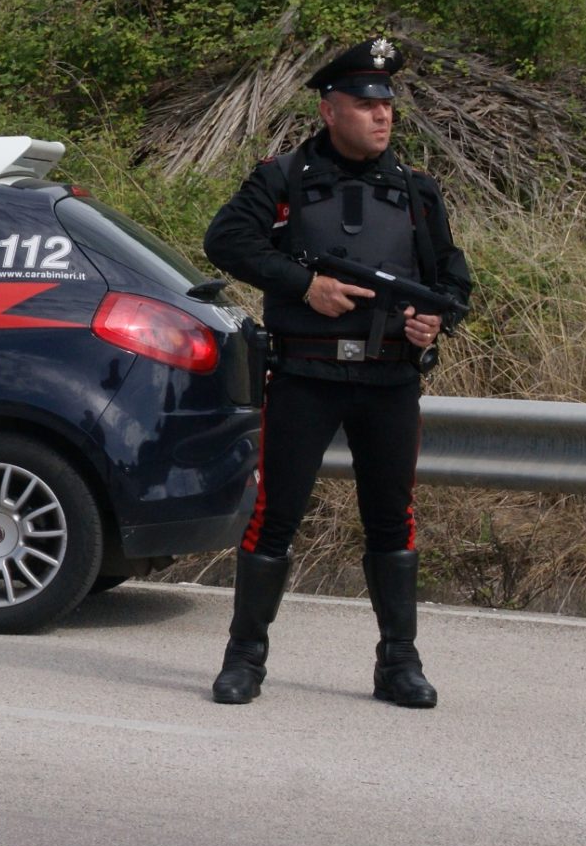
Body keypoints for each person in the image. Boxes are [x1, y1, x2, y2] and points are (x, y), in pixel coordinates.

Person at [200, 36, 472, 708]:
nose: (382, 115)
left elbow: (453, 280)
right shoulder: (284, 179)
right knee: (274, 517)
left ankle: (398, 664)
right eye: (365, 103)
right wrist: (304, 285)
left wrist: (434, 323)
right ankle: (245, 660)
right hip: (305, 377)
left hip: (388, 381)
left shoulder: (417, 191)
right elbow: (226, 239)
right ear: (330, 109)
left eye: (387, 104)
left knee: (393, 521)